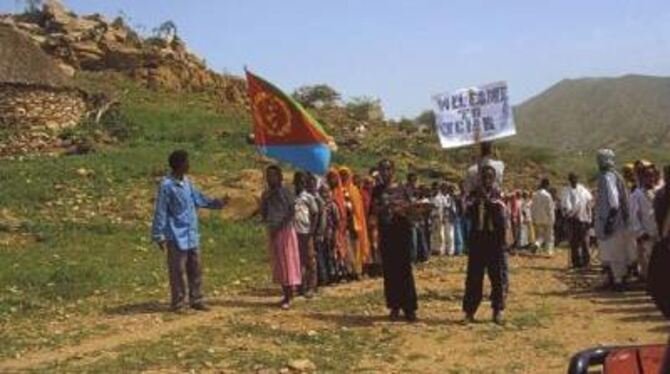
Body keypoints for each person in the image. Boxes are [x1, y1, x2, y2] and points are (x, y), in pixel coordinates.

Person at [151, 150, 226, 312]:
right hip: (175, 235)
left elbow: (199, 199)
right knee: (177, 270)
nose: (189, 165)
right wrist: (158, 234)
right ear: (179, 165)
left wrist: (217, 203)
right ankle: (178, 302)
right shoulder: (166, 186)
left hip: (191, 233)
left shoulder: (187, 183)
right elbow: (161, 211)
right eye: (186, 162)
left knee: (195, 267)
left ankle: (196, 299)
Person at [372, 159, 418, 322]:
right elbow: (373, 210)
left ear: (393, 170)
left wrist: (403, 210)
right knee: (390, 272)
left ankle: (410, 308)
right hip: (386, 234)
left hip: (401, 233)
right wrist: (385, 208)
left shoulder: (403, 188)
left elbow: (413, 209)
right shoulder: (377, 190)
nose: (384, 173)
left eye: (387, 169)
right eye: (381, 170)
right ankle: (394, 306)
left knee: (404, 271)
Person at [462, 165, 507, 325]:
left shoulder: (498, 193)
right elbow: (466, 211)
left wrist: (487, 201)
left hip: (494, 241)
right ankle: (469, 310)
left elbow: (501, 211)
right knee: (474, 276)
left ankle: (498, 309)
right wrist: (476, 202)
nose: (487, 180)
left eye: (490, 177)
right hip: (477, 240)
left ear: (493, 179)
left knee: (496, 277)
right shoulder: (474, 194)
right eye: (484, 177)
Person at [260, 165, 302, 309]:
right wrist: (264, 200)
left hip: (285, 231)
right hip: (273, 230)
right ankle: (284, 294)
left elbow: (291, 211)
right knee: (278, 263)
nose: (271, 178)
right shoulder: (266, 194)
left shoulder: (286, 192)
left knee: (287, 262)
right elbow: (264, 213)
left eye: (274, 175)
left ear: (280, 177)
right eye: (268, 176)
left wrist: (280, 225)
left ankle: (290, 296)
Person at [594, 149, 635, 291]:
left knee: (615, 252)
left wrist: (609, 222)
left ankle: (618, 282)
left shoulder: (608, 177)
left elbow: (614, 202)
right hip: (617, 221)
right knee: (616, 251)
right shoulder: (614, 175)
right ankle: (615, 279)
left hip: (612, 221)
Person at [339, 167, 370, 279]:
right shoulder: (338, 190)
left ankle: (358, 271)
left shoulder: (354, 190)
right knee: (347, 248)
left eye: (345, 175)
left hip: (355, 223)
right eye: (341, 175)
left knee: (357, 247)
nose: (343, 177)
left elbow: (358, 209)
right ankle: (350, 271)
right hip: (344, 224)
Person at [630, 165, 659, 280]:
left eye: (652, 176)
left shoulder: (659, 192)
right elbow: (633, 216)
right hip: (646, 234)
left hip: (660, 233)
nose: (650, 179)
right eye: (647, 176)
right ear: (642, 178)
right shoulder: (636, 195)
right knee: (648, 260)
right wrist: (640, 232)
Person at [294, 172, 319, 297]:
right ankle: (300, 286)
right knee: (297, 260)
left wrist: (312, 230)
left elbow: (315, 213)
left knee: (310, 259)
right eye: (298, 182)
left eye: (302, 183)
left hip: (306, 232)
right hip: (294, 233)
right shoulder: (292, 197)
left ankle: (311, 286)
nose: (300, 185)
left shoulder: (308, 197)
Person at [561, 173, 594, 268]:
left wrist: (589, 217)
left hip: (583, 219)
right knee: (574, 242)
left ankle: (586, 262)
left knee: (585, 241)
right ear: (569, 180)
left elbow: (589, 202)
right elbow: (565, 205)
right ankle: (576, 262)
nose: (573, 181)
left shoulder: (583, 190)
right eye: (571, 179)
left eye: (575, 179)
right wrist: (568, 214)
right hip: (572, 220)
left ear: (577, 179)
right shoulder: (566, 191)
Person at [326, 169, 350, 282]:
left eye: (334, 177)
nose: (332, 180)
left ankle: (343, 272)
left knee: (341, 247)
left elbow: (346, 209)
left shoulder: (342, 191)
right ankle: (335, 273)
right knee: (333, 248)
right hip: (330, 224)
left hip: (341, 224)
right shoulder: (326, 192)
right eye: (330, 177)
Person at [531, 178, 556, 256]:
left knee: (540, 235)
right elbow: (550, 208)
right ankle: (549, 251)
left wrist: (533, 217)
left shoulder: (535, 194)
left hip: (537, 218)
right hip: (547, 218)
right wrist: (552, 218)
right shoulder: (547, 195)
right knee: (549, 236)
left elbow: (533, 207)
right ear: (547, 185)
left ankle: (537, 244)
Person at [432, 182, 456, 256]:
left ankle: (450, 251)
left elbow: (454, 209)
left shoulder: (450, 198)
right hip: (440, 218)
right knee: (441, 235)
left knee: (450, 235)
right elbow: (436, 209)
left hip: (449, 218)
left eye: (446, 188)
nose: (444, 189)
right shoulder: (437, 197)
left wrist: (451, 214)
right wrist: (440, 217)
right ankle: (440, 250)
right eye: (443, 187)